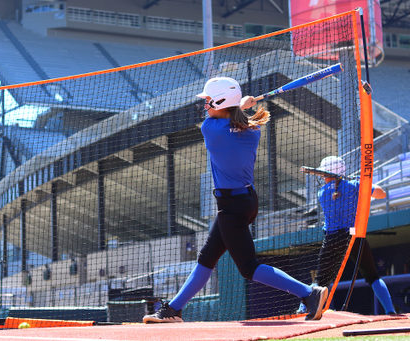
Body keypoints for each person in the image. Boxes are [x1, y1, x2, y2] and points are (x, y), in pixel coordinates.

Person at [143, 77, 328, 323]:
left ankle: (308, 293)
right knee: (206, 259)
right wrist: (241, 107)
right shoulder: (253, 129)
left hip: (232, 207)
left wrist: (241, 105)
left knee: (249, 267)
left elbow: (222, 120)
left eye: (209, 101)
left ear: (221, 102)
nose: (206, 106)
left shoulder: (210, 129)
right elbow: (234, 119)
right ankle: (174, 308)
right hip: (246, 202)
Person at [298, 156, 396, 315]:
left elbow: (339, 191)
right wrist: (362, 183)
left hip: (332, 239)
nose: (322, 177)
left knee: (320, 280)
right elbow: (381, 194)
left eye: (323, 174)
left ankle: (302, 309)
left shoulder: (322, 192)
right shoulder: (354, 184)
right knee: (372, 276)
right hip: (354, 237)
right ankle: (390, 310)